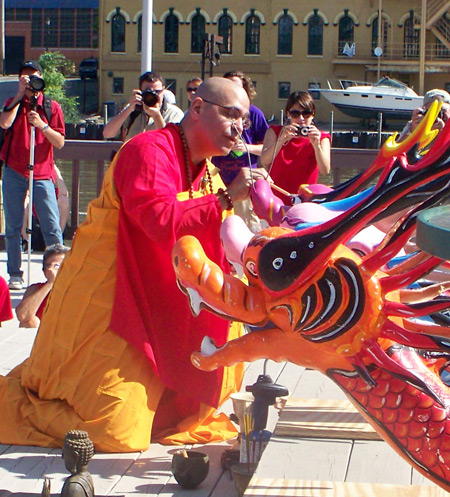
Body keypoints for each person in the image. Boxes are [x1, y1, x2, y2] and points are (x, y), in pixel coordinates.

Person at [0, 77, 268, 453]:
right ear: (197, 108)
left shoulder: (205, 168)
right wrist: (225, 199)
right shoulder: (148, 149)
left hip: (157, 294)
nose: (239, 127)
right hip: (111, 299)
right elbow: (157, 219)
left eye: (244, 119)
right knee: (112, 429)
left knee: (207, 382)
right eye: (231, 115)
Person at [0, 60, 65, 291]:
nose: (31, 82)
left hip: (42, 172)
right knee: (13, 224)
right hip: (14, 170)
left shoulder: (51, 107)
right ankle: (15, 273)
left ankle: (57, 271)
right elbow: (4, 123)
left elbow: (59, 142)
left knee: (51, 224)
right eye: (26, 78)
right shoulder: (14, 103)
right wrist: (19, 94)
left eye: (34, 77)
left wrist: (42, 126)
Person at [212, 71, 269, 231]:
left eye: (237, 86)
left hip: (244, 188)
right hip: (218, 184)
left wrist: (247, 148)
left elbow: (269, 148)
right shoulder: (215, 113)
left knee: (244, 231)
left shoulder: (255, 114)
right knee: (220, 230)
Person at [259, 90, 331, 203]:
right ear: (288, 114)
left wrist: (316, 145)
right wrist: (281, 140)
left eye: (306, 113)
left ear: (313, 114)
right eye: (295, 114)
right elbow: (265, 160)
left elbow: (325, 170)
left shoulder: (322, 137)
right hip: (275, 198)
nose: (301, 119)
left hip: (304, 200)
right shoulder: (275, 132)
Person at [103, 71, 184, 142]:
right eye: (148, 92)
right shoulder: (133, 109)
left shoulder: (174, 113)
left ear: (163, 90)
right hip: (133, 157)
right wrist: (130, 108)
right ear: (140, 91)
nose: (153, 95)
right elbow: (107, 133)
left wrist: (157, 116)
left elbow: (171, 143)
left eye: (157, 92)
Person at [15, 243, 69, 328]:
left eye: (58, 266)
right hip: (42, 336)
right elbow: (23, 316)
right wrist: (50, 283)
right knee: (29, 322)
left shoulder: (77, 289)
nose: (52, 270)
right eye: (48, 266)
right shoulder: (36, 289)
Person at [60, 430, 95, 497]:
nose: (62, 457)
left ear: (75, 456)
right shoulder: (87, 476)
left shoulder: (73, 487)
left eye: (65, 453)